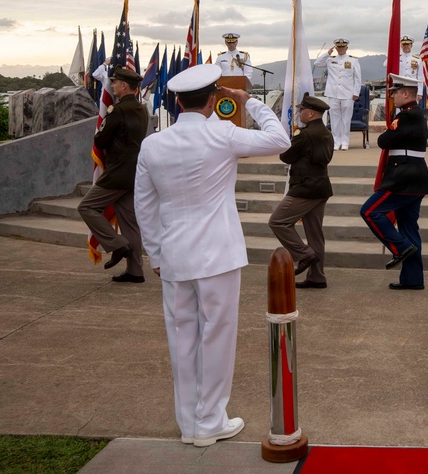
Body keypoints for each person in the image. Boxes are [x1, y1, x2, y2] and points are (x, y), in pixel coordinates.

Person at [133, 63, 291, 447]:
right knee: (216, 337)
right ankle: (210, 421)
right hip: (218, 254)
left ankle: (189, 423)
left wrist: (154, 253)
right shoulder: (222, 134)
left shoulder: (153, 144)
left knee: (181, 338)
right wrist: (249, 101)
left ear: (176, 100)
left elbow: (144, 204)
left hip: (173, 255)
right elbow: (280, 140)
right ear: (212, 100)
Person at [77, 66, 148, 283]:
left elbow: (100, 140)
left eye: (116, 83)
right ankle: (135, 271)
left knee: (86, 207)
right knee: (129, 223)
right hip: (134, 171)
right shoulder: (142, 110)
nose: (113, 85)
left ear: (124, 86)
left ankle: (117, 244)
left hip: (117, 172)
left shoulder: (117, 111)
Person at [359, 74, 428, 290]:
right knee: (409, 229)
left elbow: (383, 141)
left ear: (406, 93)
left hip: (403, 177)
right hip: (414, 177)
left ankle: (399, 248)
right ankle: (413, 279)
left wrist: (389, 130)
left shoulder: (407, 116)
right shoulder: (414, 114)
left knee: (370, 211)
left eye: (395, 93)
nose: (392, 97)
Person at [268, 94, 334, 290]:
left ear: (310, 113)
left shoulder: (304, 135)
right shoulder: (327, 133)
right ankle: (317, 277)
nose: (299, 112)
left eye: (301, 110)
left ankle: (304, 254)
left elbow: (286, 156)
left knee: (277, 221)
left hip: (305, 188)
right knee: (315, 235)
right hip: (321, 186)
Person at [314, 37, 363, 150]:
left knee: (346, 119)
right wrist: (327, 53)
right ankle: (336, 142)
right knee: (335, 119)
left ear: (347, 47)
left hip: (348, 93)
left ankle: (345, 142)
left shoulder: (353, 61)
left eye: (343, 47)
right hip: (333, 93)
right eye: (338, 47)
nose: (341, 49)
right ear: (336, 48)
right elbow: (317, 63)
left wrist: (356, 92)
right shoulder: (330, 59)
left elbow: (357, 78)